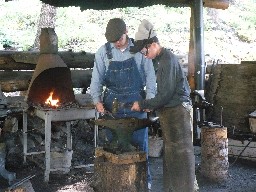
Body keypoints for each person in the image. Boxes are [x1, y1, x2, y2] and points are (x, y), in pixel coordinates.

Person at [89, 18, 156, 189]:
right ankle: (114, 184)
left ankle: (143, 182)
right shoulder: (103, 53)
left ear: (126, 31)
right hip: (113, 106)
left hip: (137, 104)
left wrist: (149, 100)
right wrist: (97, 101)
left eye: (119, 39)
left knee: (140, 147)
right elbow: (96, 80)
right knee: (114, 148)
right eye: (113, 41)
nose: (117, 44)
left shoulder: (141, 50)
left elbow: (150, 77)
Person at [130, 19, 196, 192]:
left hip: (178, 113)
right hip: (170, 112)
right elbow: (163, 94)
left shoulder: (166, 59)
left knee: (182, 157)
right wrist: (151, 105)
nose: (144, 55)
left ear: (152, 45)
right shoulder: (159, 60)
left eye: (144, 51)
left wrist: (143, 104)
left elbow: (165, 95)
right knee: (172, 157)